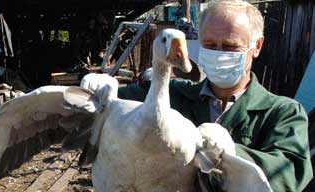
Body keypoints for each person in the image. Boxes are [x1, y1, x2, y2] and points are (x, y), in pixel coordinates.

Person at [117, 0, 313, 191]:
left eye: (230, 46)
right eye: (210, 45)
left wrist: (228, 153)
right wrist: (98, 88)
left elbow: (289, 174)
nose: (219, 53)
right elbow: (109, 103)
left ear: (257, 46)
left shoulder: (283, 113)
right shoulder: (172, 96)